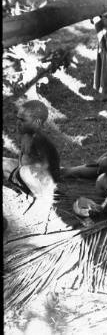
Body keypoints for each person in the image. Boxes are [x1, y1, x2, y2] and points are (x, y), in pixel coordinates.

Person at [3, 100, 61, 236]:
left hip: (44, 181)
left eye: (22, 120)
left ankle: (42, 199)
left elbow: (49, 169)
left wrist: (25, 174)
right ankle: (26, 188)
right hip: (30, 174)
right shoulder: (26, 135)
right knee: (4, 162)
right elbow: (24, 158)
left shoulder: (40, 140)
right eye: (17, 118)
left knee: (24, 172)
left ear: (37, 122)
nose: (18, 123)